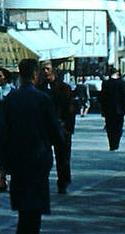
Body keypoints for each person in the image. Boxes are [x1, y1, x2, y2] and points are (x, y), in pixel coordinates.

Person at [0, 59, 63, 234]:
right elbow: (55, 130)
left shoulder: (11, 98)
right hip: (38, 158)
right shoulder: (43, 98)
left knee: (22, 205)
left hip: (17, 158)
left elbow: (3, 132)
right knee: (34, 206)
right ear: (35, 74)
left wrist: (3, 166)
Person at [40, 61, 75, 193]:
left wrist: (68, 128)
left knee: (63, 158)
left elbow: (71, 108)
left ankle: (63, 182)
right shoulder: (40, 88)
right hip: (45, 128)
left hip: (61, 127)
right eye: (43, 69)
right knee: (43, 156)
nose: (45, 72)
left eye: (47, 69)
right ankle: (43, 180)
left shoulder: (64, 87)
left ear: (53, 70)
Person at [100, 68, 125, 151]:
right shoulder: (121, 83)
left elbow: (102, 97)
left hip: (108, 109)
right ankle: (116, 143)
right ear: (117, 73)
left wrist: (102, 109)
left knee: (110, 127)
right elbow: (124, 97)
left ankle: (111, 143)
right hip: (119, 109)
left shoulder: (106, 83)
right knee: (118, 127)